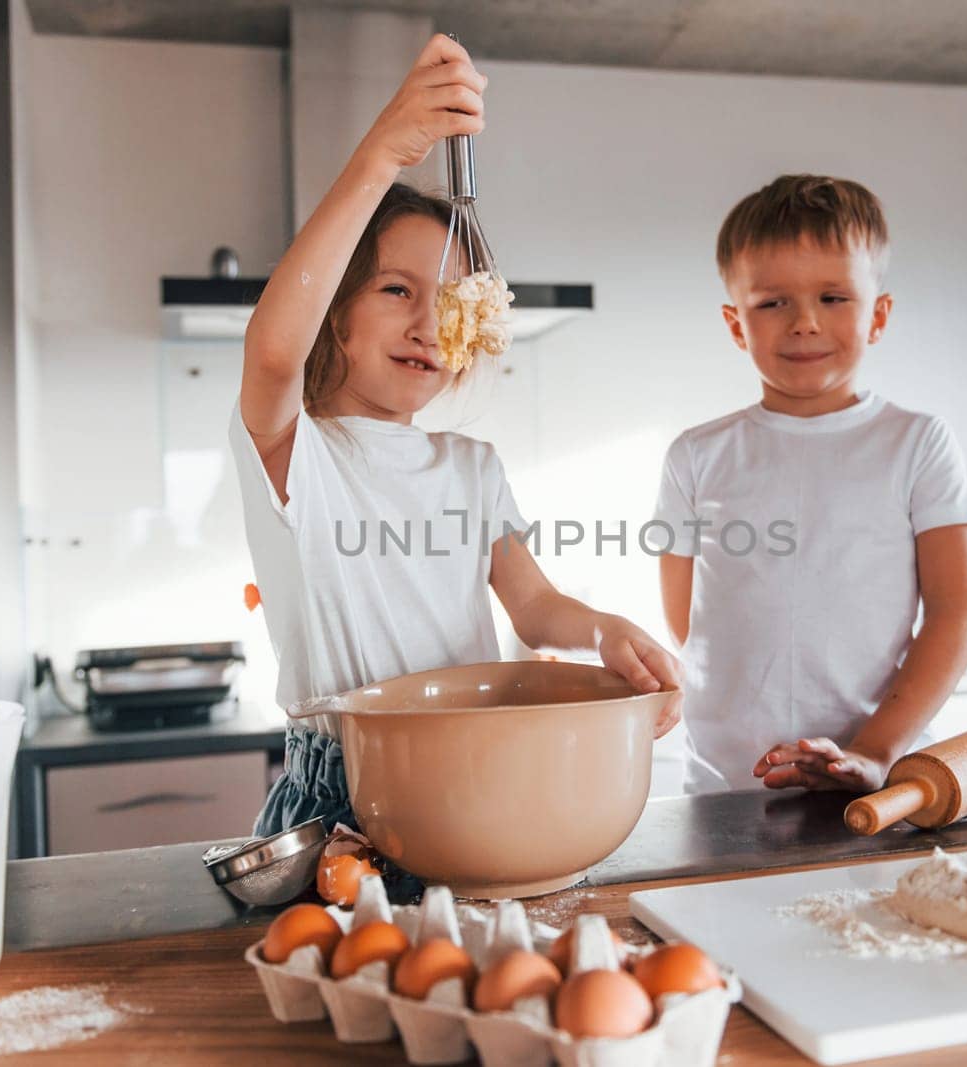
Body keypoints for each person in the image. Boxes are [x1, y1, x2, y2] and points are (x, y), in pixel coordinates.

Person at [233, 34, 681, 842]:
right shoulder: (299, 453)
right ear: (334, 307)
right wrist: (387, 149)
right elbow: (272, 351)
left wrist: (606, 630)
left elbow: (535, 605)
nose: (425, 326)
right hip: (344, 790)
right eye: (396, 289)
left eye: (448, 304)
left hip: (476, 774)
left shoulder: (473, 467)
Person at [655, 174, 967, 796]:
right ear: (736, 323)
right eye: (773, 302)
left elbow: (957, 612)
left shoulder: (918, 442)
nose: (804, 323)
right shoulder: (694, 455)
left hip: (879, 783)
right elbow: (688, 620)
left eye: (833, 297)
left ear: (878, 314)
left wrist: (874, 750)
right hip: (725, 788)